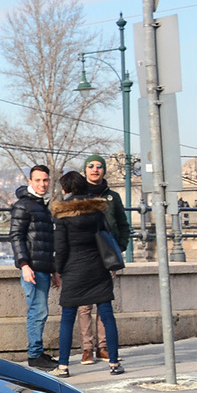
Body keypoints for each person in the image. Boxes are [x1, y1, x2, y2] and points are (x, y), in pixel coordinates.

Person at [50, 171, 122, 377]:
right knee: (107, 315)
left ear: (65, 190)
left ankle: (63, 366)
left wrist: (59, 270)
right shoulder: (97, 212)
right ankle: (114, 363)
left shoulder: (62, 215)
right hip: (98, 268)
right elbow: (108, 237)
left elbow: (61, 248)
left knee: (67, 318)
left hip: (74, 270)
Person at [75, 154, 132, 364]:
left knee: (104, 304)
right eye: (91, 166)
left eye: (99, 166)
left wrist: (120, 248)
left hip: (106, 257)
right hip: (84, 256)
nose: (95, 169)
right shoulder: (78, 195)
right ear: (85, 170)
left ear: (104, 170)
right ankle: (87, 349)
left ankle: (103, 347)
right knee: (84, 306)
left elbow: (124, 226)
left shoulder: (113, 197)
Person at [10, 165, 60, 369]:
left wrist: (54, 270)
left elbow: (48, 242)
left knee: (41, 311)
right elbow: (16, 236)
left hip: (43, 267)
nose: (42, 184)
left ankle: (38, 352)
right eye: (38, 180)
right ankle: (34, 355)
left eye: (45, 180)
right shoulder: (24, 206)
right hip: (32, 267)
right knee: (37, 311)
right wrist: (24, 264)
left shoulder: (41, 205)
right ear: (30, 182)